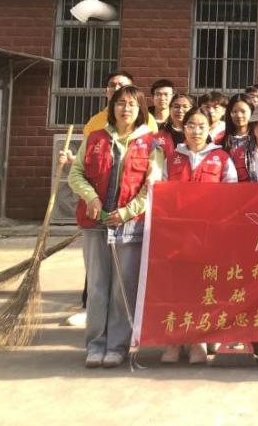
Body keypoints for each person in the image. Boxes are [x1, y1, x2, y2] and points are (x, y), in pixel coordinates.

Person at [66, 85, 163, 369]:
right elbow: (76, 174)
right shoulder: (95, 138)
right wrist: (91, 197)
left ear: (140, 109)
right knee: (97, 286)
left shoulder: (151, 143)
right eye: (121, 103)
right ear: (113, 107)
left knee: (123, 288)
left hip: (129, 225)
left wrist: (126, 212)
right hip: (95, 222)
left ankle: (117, 346)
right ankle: (95, 345)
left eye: (132, 104)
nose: (125, 109)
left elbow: (153, 185)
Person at [162, 106, 237, 364]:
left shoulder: (221, 157)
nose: (196, 131)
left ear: (210, 129)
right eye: (191, 126)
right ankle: (174, 340)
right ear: (183, 128)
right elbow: (160, 193)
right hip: (177, 233)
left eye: (201, 126)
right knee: (177, 287)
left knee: (205, 287)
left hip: (209, 233)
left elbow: (232, 195)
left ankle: (199, 340)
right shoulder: (172, 157)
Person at [221, 93, 252, 176]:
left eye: (243, 111)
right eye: (234, 112)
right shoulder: (220, 140)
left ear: (252, 112)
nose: (239, 115)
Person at [156, 92, 193, 159]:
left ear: (192, 109)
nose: (180, 110)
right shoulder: (161, 130)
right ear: (170, 108)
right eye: (176, 106)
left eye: (185, 106)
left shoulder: (199, 133)